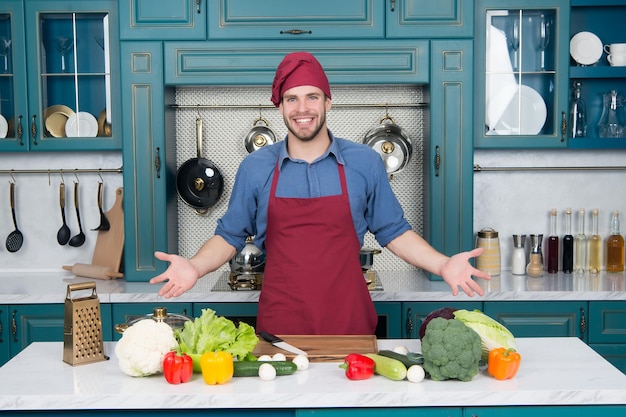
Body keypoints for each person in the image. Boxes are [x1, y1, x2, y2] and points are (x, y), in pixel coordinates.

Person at [150, 51, 490, 335]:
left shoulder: (365, 162)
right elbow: (230, 235)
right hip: (282, 323)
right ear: (280, 107)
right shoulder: (256, 167)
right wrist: (194, 267)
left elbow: (394, 231)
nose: (303, 108)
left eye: (312, 96)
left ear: (328, 101)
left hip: (349, 320)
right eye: (291, 99)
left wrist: (443, 263)